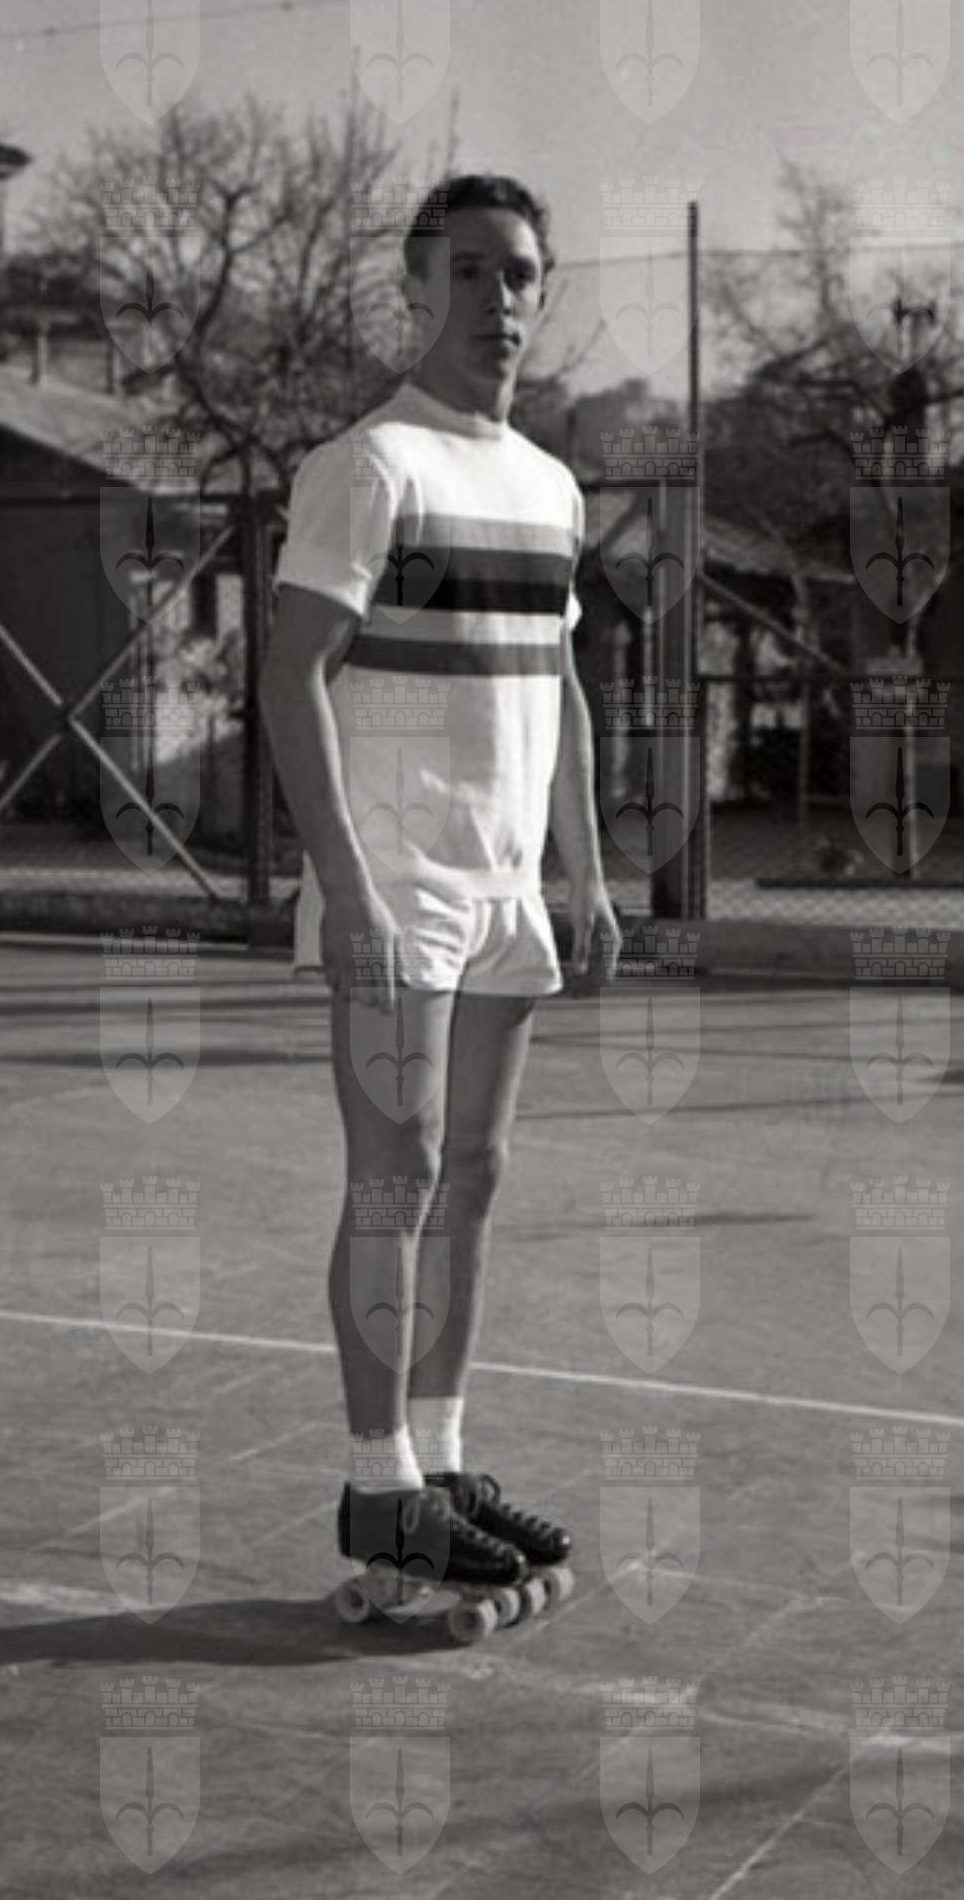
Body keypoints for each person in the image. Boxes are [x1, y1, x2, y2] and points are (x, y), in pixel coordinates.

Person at [261, 172, 621, 1597]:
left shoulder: (549, 486)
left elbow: (561, 688)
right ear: (417, 288)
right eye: (466, 271)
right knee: (394, 1177)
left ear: (543, 293)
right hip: (395, 885)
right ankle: (378, 1488)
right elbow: (290, 678)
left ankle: (444, 1459)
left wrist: (584, 872)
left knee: (473, 1174)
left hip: (503, 888)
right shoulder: (368, 467)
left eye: (519, 273)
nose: (497, 298)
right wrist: (344, 889)